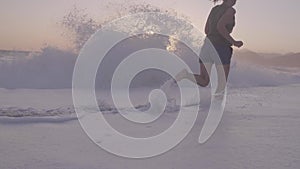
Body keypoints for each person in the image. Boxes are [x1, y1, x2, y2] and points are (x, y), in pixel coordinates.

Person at [176, 0, 243, 94]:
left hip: (207, 46)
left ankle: (185, 75)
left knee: (204, 80)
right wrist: (234, 42)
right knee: (221, 83)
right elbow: (220, 26)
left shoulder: (214, 9)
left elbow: (207, 30)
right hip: (221, 47)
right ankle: (216, 105)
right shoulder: (230, 10)